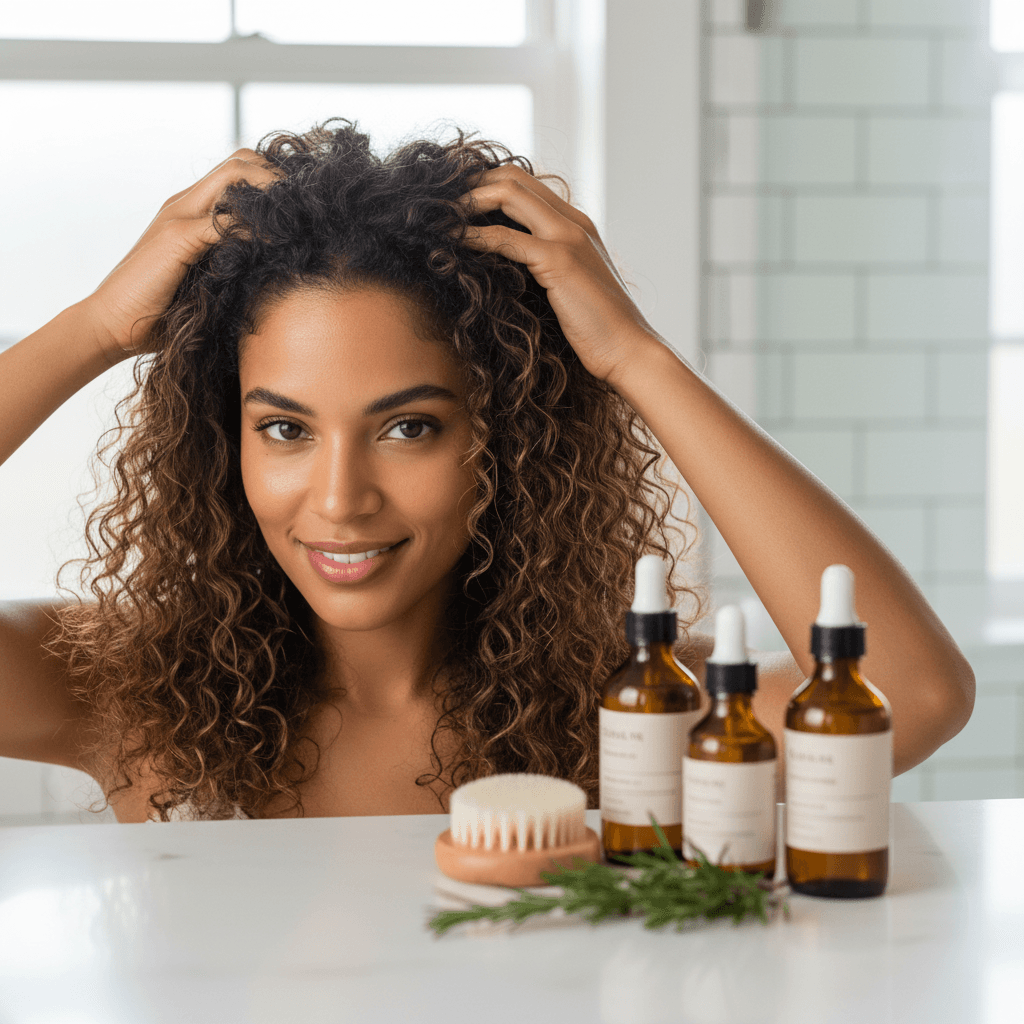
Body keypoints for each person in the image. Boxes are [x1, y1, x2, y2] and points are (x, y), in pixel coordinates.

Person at [0, 120, 974, 823]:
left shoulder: (624, 719)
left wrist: (636, 358)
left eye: (409, 426)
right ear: (225, 443)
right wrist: (94, 327)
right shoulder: (129, 688)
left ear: (508, 441)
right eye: (288, 430)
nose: (339, 501)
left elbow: (911, 693)